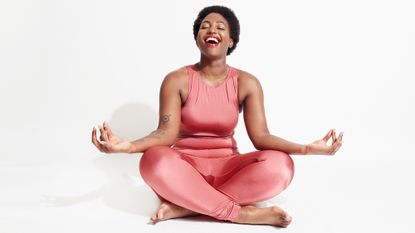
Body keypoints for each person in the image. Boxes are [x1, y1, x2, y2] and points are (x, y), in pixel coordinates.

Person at [91, 5, 343, 228]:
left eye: (220, 27)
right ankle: (240, 214)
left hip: (229, 169)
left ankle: (187, 207)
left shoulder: (247, 82)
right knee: (152, 160)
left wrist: (306, 149)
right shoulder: (176, 80)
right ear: (198, 37)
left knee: (281, 166)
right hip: (185, 170)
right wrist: (129, 147)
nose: (212, 29)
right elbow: (164, 134)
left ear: (231, 40)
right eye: (205, 26)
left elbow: (261, 137)